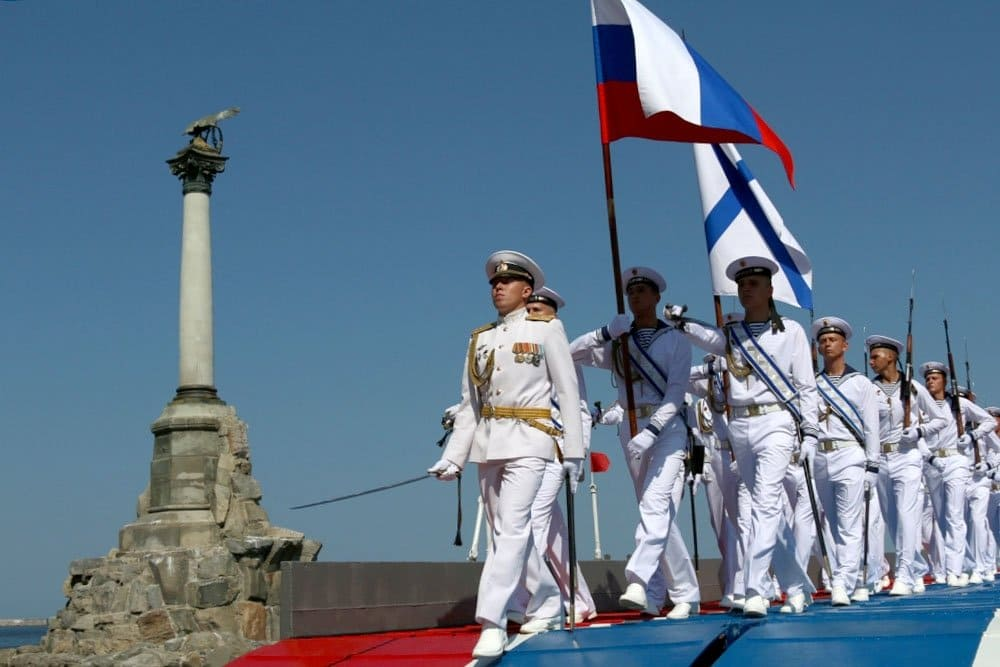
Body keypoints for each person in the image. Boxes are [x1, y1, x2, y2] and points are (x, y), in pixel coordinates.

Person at [427, 250, 584, 659]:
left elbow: (568, 391)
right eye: (494, 283)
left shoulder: (547, 329)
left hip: (532, 441)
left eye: (507, 282)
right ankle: (548, 598)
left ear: (526, 289)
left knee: (512, 531)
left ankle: (492, 622)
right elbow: (469, 405)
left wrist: (574, 453)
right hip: (490, 444)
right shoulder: (479, 338)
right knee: (504, 532)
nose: (498, 287)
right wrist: (454, 458)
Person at [671, 256, 817, 617]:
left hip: (777, 422)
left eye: (754, 284)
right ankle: (797, 588)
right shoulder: (732, 335)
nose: (746, 289)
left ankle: (755, 589)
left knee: (765, 505)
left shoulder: (792, 331)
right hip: (741, 427)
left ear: (770, 290)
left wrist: (811, 431)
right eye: (741, 285)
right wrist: (680, 322)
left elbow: (806, 386)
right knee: (767, 512)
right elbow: (708, 338)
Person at [570, 266, 700, 620]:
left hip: (667, 429)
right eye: (631, 293)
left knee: (655, 505)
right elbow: (570, 354)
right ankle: (676, 594)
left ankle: (639, 579)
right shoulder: (620, 342)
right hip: (629, 426)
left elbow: (676, 391)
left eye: (643, 292)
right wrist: (603, 333)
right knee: (656, 514)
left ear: (657, 298)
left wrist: (653, 430)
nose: (636, 297)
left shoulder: (675, 340)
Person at [509, 286, 598, 632]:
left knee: (532, 521)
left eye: (538, 311)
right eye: (529, 310)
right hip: (527, 448)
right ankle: (581, 601)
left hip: (556, 450)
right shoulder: (521, 355)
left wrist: (577, 455)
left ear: (553, 315)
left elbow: (579, 409)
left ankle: (531, 601)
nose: (531, 315)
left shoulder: (561, 351)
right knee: (554, 534)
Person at [865, 334, 948, 596]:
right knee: (892, 519)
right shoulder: (869, 389)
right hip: (882, 459)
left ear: (891, 357)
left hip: (907, 456)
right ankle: (916, 567)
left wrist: (919, 432)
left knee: (906, 515)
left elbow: (940, 420)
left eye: (876, 356)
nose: (872, 361)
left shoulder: (912, 387)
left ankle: (903, 574)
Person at [809, 317, 881, 606]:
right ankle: (845, 577)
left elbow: (871, 427)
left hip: (850, 454)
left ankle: (841, 581)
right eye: (822, 340)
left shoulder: (860, 383)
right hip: (821, 457)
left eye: (832, 340)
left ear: (845, 345)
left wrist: (872, 464)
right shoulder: (812, 384)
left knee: (850, 523)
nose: (827, 344)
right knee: (834, 524)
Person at [919, 361, 994, 587]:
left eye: (935, 378)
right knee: (942, 520)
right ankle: (967, 562)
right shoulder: (921, 405)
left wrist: (972, 436)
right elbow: (917, 435)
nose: (930, 382)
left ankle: (954, 570)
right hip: (932, 463)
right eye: (928, 379)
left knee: (954, 515)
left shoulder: (959, 404)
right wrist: (928, 457)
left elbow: (988, 421)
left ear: (944, 380)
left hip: (955, 460)